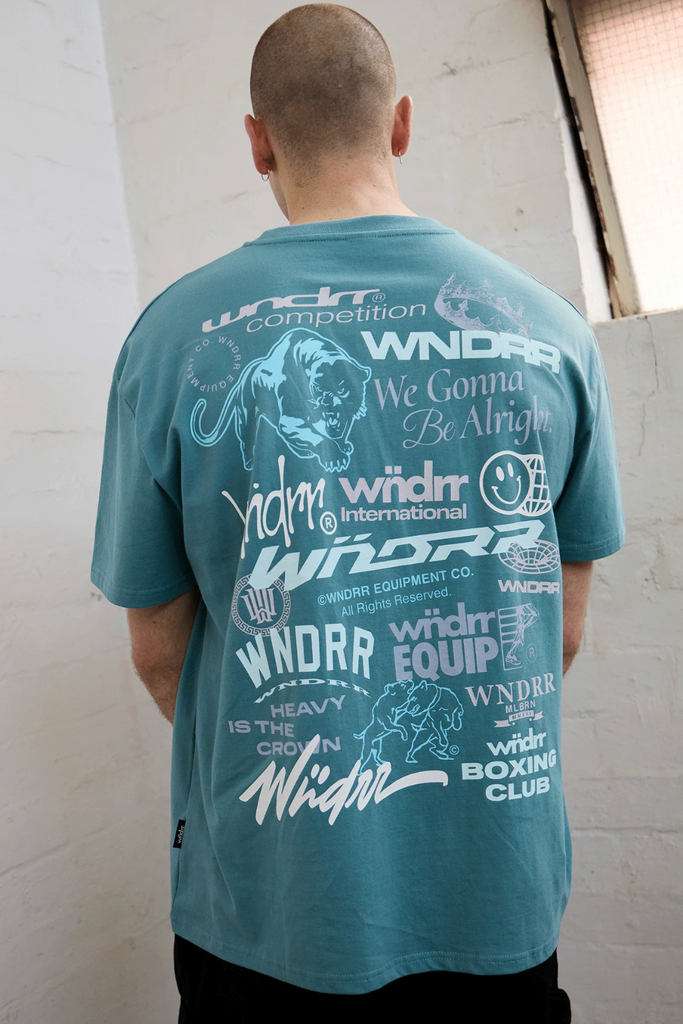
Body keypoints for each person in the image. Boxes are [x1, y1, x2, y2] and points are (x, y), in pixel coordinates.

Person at [91, 5, 624, 1021]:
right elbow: (554, 629)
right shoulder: (547, 330)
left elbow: (159, 655)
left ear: (257, 142)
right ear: (402, 123)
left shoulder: (170, 338)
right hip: (493, 893)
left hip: (278, 906)